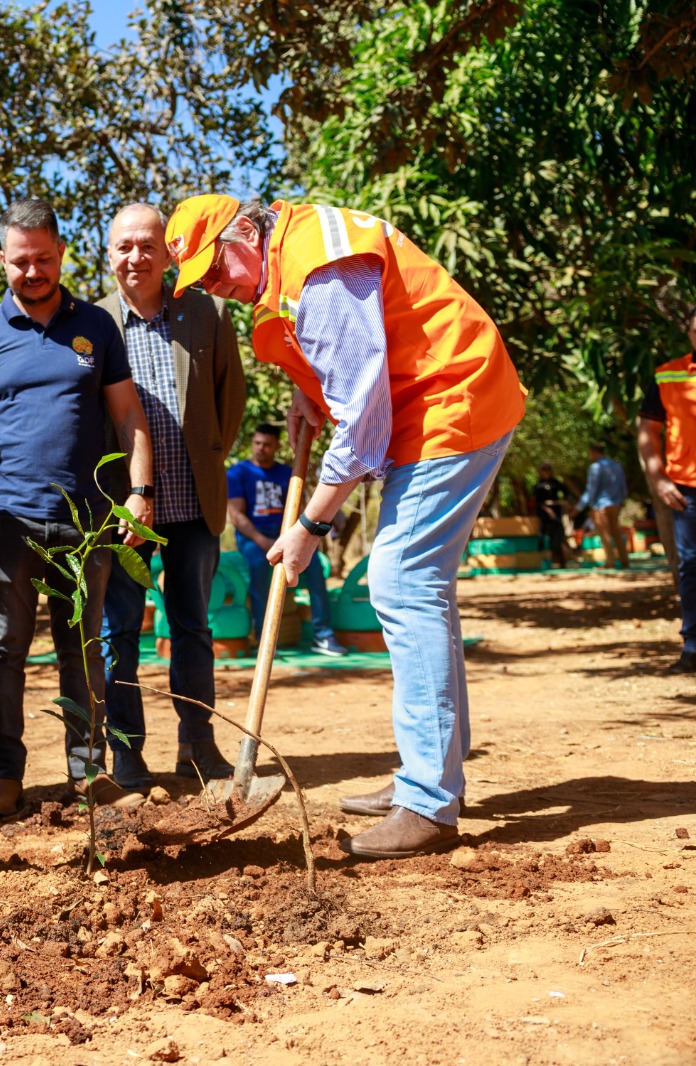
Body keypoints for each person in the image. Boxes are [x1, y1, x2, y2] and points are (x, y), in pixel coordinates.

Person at [164, 194, 525, 859]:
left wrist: (308, 525)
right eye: (204, 284)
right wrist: (308, 388)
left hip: (455, 398)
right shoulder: (286, 262)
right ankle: (427, 779)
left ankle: (429, 802)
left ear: (245, 232)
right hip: (427, 407)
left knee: (401, 582)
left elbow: (362, 424)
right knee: (416, 589)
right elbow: (345, 359)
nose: (216, 290)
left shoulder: (317, 269)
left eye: (216, 272)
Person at [0, 199, 155, 817]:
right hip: (5, 523)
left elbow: (128, 416)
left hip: (86, 522)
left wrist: (139, 494)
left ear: (61, 253)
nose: (32, 271)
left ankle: (88, 772)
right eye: (20, 261)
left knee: (82, 647)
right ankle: (4, 777)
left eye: (43, 258)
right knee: (4, 650)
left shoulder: (97, 327)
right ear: (2, 262)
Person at [93, 203, 248, 789]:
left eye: (146, 246)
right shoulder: (92, 324)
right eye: (123, 247)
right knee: (120, 631)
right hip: (124, 511)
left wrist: (205, 456)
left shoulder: (204, 313)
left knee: (193, 629)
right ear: (109, 254)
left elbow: (228, 399)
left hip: (195, 507)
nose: (135, 258)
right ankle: (127, 755)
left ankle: (198, 746)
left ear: (168, 253)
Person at [226, 423, 350, 657]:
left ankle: (323, 635)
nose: (261, 448)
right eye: (257, 443)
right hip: (254, 536)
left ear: (277, 447)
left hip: (286, 532)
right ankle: (265, 639)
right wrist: (263, 542)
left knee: (314, 567)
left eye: (267, 445)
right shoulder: (237, 473)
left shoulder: (287, 473)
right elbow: (237, 516)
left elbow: (299, 510)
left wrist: (291, 539)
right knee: (259, 567)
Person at [637, 306, 696, 673]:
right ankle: (692, 646)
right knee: (690, 567)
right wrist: (657, 477)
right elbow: (648, 432)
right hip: (687, 491)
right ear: (689, 332)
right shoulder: (668, 374)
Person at [577, 442, 629, 569]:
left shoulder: (595, 467)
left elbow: (592, 489)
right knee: (616, 532)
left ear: (594, 452)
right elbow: (623, 487)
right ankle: (624, 561)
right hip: (615, 504)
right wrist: (621, 501)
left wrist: (580, 506)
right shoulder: (617, 465)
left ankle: (610, 562)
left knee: (604, 534)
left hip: (600, 505)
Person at [530, 462, 572, 568]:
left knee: (558, 535)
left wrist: (566, 504)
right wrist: (548, 510)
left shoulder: (556, 483)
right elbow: (537, 501)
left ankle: (561, 561)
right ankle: (541, 561)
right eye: (544, 470)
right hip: (543, 512)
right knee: (542, 534)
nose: (546, 472)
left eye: (548, 470)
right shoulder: (538, 486)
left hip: (556, 512)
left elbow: (568, 494)